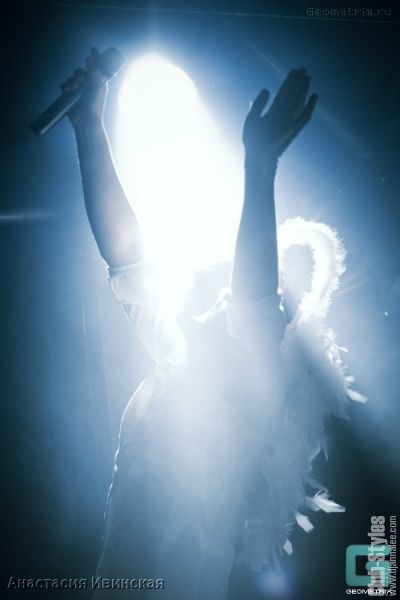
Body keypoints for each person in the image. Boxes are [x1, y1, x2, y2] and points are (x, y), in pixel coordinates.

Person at [61, 48, 344, 599]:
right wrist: (88, 124)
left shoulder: (252, 395)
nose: (195, 278)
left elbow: (256, 303)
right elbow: (126, 257)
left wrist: (260, 167)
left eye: (218, 282)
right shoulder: (181, 361)